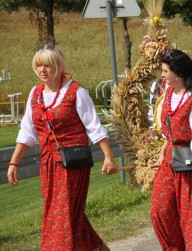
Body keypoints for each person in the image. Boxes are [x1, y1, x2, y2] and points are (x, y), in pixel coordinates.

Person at [6, 44, 117, 251]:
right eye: (39, 66)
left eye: (47, 65)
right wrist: (14, 162)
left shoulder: (76, 92)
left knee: (62, 214)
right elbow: (27, 132)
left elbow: (95, 127)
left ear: (59, 66)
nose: (43, 71)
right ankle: (97, 248)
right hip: (48, 164)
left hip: (73, 163)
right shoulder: (35, 93)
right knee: (60, 213)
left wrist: (109, 157)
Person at [150, 49, 192, 250]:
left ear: (177, 73)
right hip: (171, 159)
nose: (162, 75)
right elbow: (169, 128)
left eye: (165, 71)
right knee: (160, 211)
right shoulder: (169, 93)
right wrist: (164, 148)